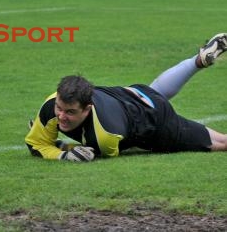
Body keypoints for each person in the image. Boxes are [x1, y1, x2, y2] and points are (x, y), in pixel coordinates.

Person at [25, 33, 227, 162]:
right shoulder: (51, 104)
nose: (60, 116)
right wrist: (62, 153)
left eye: (70, 112)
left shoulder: (105, 135)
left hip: (157, 121)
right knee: (155, 92)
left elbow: (106, 151)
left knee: (221, 144)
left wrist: (63, 147)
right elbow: (35, 145)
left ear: (87, 108)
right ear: (57, 96)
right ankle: (197, 61)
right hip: (138, 94)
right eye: (59, 108)